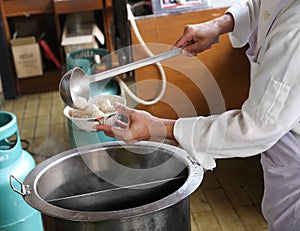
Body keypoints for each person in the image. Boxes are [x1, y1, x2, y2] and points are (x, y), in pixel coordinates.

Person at [96, 0, 300, 229]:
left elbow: (254, 128)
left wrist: (157, 127)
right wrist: (219, 24)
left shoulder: (296, 29)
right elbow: (264, 5)